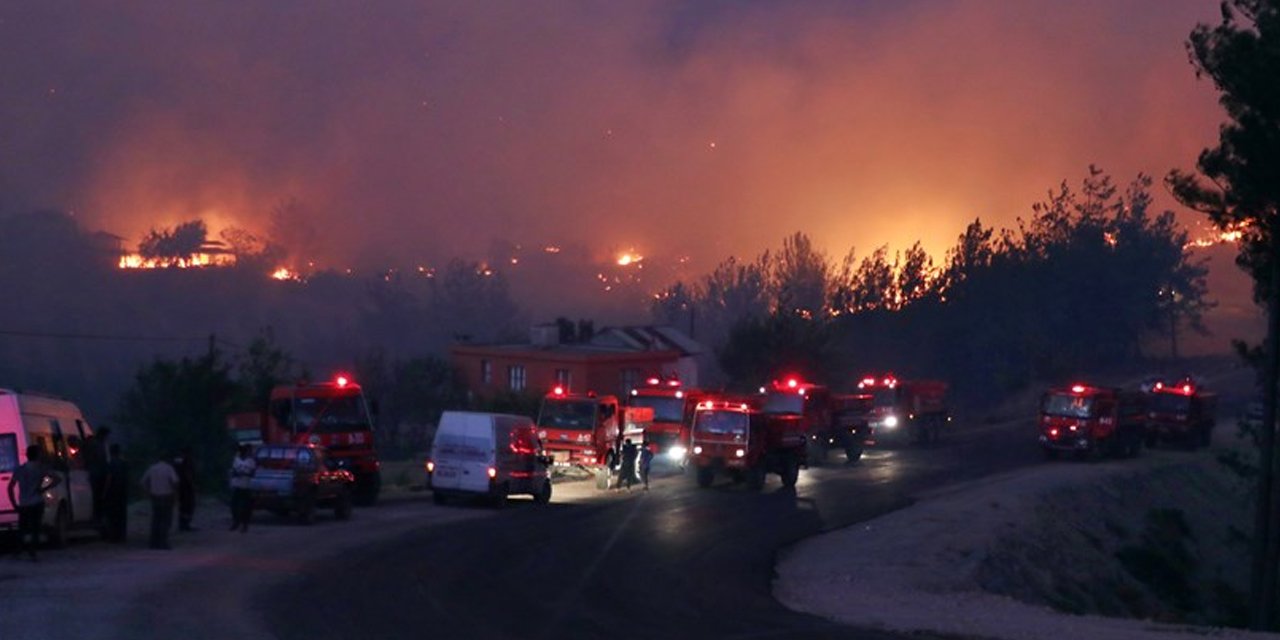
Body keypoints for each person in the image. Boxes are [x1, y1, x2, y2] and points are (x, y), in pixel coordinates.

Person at [6, 445, 61, 561]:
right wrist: (44, 488)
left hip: (24, 502)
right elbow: (57, 479)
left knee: (22, 528)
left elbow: (10, 487)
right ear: (37, 455)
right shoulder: (41, 468)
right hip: (36, 501)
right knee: (35, 528)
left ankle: (18, 550)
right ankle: (32, 551)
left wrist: (14, 503)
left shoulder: (20, 469)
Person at [140, 455, 179, 550]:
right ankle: (163, 542)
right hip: (166, 495)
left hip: (155, 496)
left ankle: (154, 542)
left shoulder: (152, 468)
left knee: (156, 520)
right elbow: (175, 481)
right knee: (165, 520)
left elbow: (142, 481)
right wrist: (175, 493)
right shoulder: (169, 468)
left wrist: (148, 491)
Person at [102, 444, 130, 543]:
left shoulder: (111, 464)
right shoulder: (124, 463)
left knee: (113, 515)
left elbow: (109, 478)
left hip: (113, 492)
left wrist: (104, 491)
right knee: (122, 515)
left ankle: (114, 536)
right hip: (122, 492)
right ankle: (121, 536)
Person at [84, 426, 111, 527]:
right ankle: (97, 519)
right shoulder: (98, 444)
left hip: (94, 473)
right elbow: (101, 459)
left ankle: (97, 518)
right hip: (97, 474)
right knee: (99, 497)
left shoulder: (93, 442)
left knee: (97, 497)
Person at [228, 443, 256, 533]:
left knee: (246, 507)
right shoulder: (236, 460)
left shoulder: (251, 461)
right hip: (236, 485)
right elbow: (234, 472)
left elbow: (252, 473)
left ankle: (244, 525)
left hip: (246, 486)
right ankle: (236, 522)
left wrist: (243, 474)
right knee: (234, 506)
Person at [174, 446, 197, 532]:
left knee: (183, 506)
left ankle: (183, 524)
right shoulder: (187, 460)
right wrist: (192, 484)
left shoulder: (177, 461)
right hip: (186, 487)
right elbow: (188, 474)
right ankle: (185, 525)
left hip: (180, 486)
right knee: (188, 506)